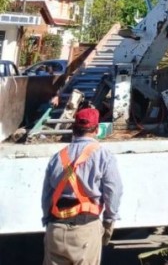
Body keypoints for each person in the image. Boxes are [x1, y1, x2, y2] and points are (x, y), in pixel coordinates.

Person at [41, 107, 122, 265]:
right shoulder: (104, 156)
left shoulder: (57, 157)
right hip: (85, 229)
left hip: (56, 227)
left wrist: (47, 220)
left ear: (73, 129)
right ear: (97, 129)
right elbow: (113, 191)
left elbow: (47, 195)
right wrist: (109, 220)